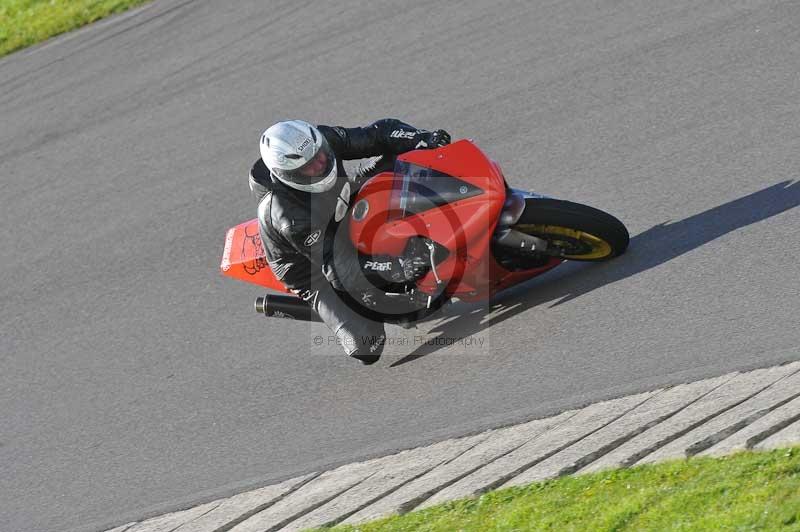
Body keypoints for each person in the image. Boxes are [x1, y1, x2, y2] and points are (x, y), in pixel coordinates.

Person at [249, 119, 451, 365]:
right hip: (313, 269)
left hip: (343, 198)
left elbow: (377, 134)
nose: (321, 162)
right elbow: (340, 268)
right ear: (289, 175)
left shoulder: (319, 142)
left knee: (402, 157)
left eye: (320, 154)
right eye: (310, 166)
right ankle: (345, 309)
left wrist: (422, 137)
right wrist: (398, 267)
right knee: (367, 347)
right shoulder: (289, 216)